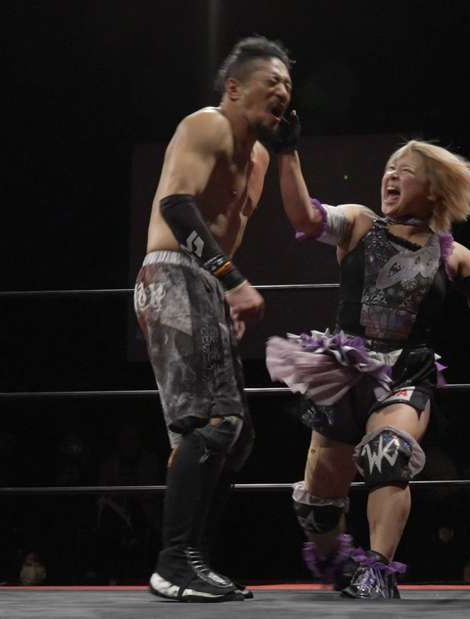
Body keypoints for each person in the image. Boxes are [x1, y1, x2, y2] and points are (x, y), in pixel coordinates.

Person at [266, 136, 470, 599]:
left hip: (405, 373)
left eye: (405, 170)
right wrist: (287, 153)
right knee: (317, 506)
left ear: (434, 190)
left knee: (388, 453)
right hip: (344, 372)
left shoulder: (451, 253)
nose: (391, 175)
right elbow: (305, 218)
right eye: (389, 168)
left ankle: (379, 570)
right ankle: (339, 562)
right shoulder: (359, 223)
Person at [133, 35, 293, 603]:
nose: (283, 90)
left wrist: (221, 294)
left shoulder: (260, 157)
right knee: (213, 423)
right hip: (175, 272)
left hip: (202, 284)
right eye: (272, 80)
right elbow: (177, 206)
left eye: (289, 85)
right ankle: (174, 563)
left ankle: (191, 559)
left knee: (237, 437)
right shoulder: (206, 125)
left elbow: (230, 226)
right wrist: (232, 280)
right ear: (234, 88)